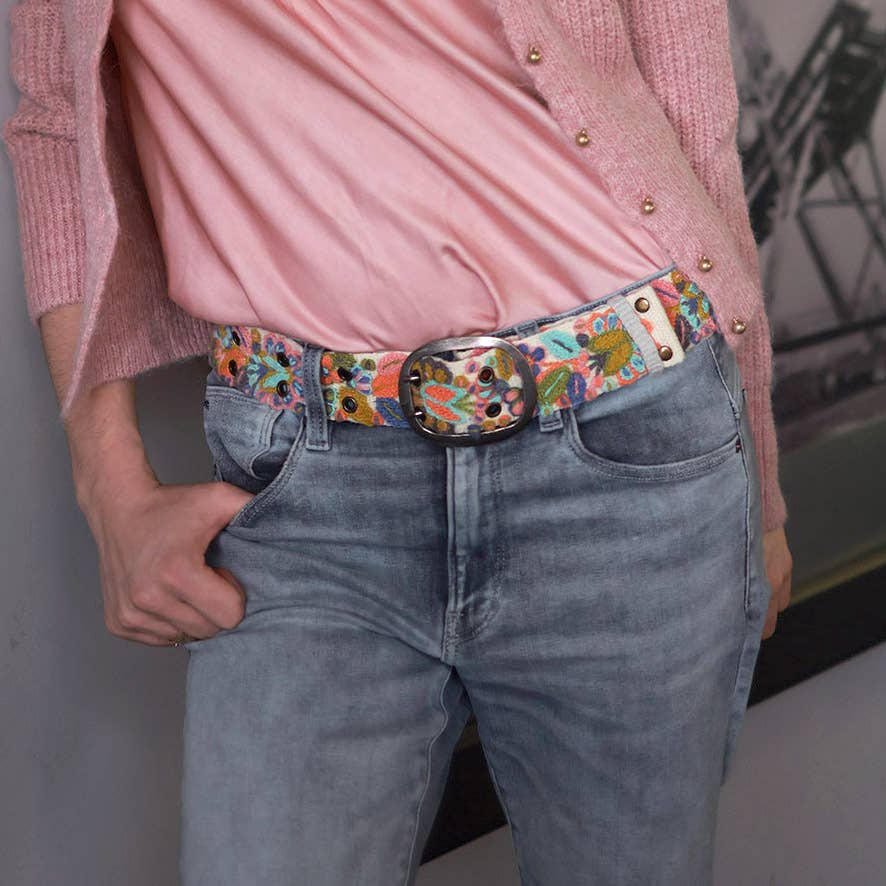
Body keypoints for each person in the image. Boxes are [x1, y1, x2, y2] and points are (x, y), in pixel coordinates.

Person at [3, 0, 793, 883]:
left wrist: (758, 489)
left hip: (627, 447)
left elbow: (692, 114)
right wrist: (107, 484)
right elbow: (58, 124)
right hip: (304, 494)